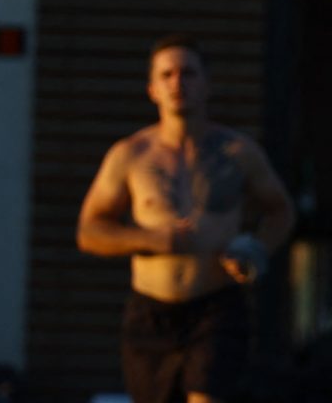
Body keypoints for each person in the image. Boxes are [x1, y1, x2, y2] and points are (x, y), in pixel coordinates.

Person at [76, 34, 296, 403]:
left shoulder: (237, 152)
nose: (178, 83)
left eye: (188, 73)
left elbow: (281, 210)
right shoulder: (131, 155)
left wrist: (255, 250)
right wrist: (151, 239)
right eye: (167, 75)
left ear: (207, 85)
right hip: (150, 312)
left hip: (214, 307)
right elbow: (89, 231)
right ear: (152, 89)